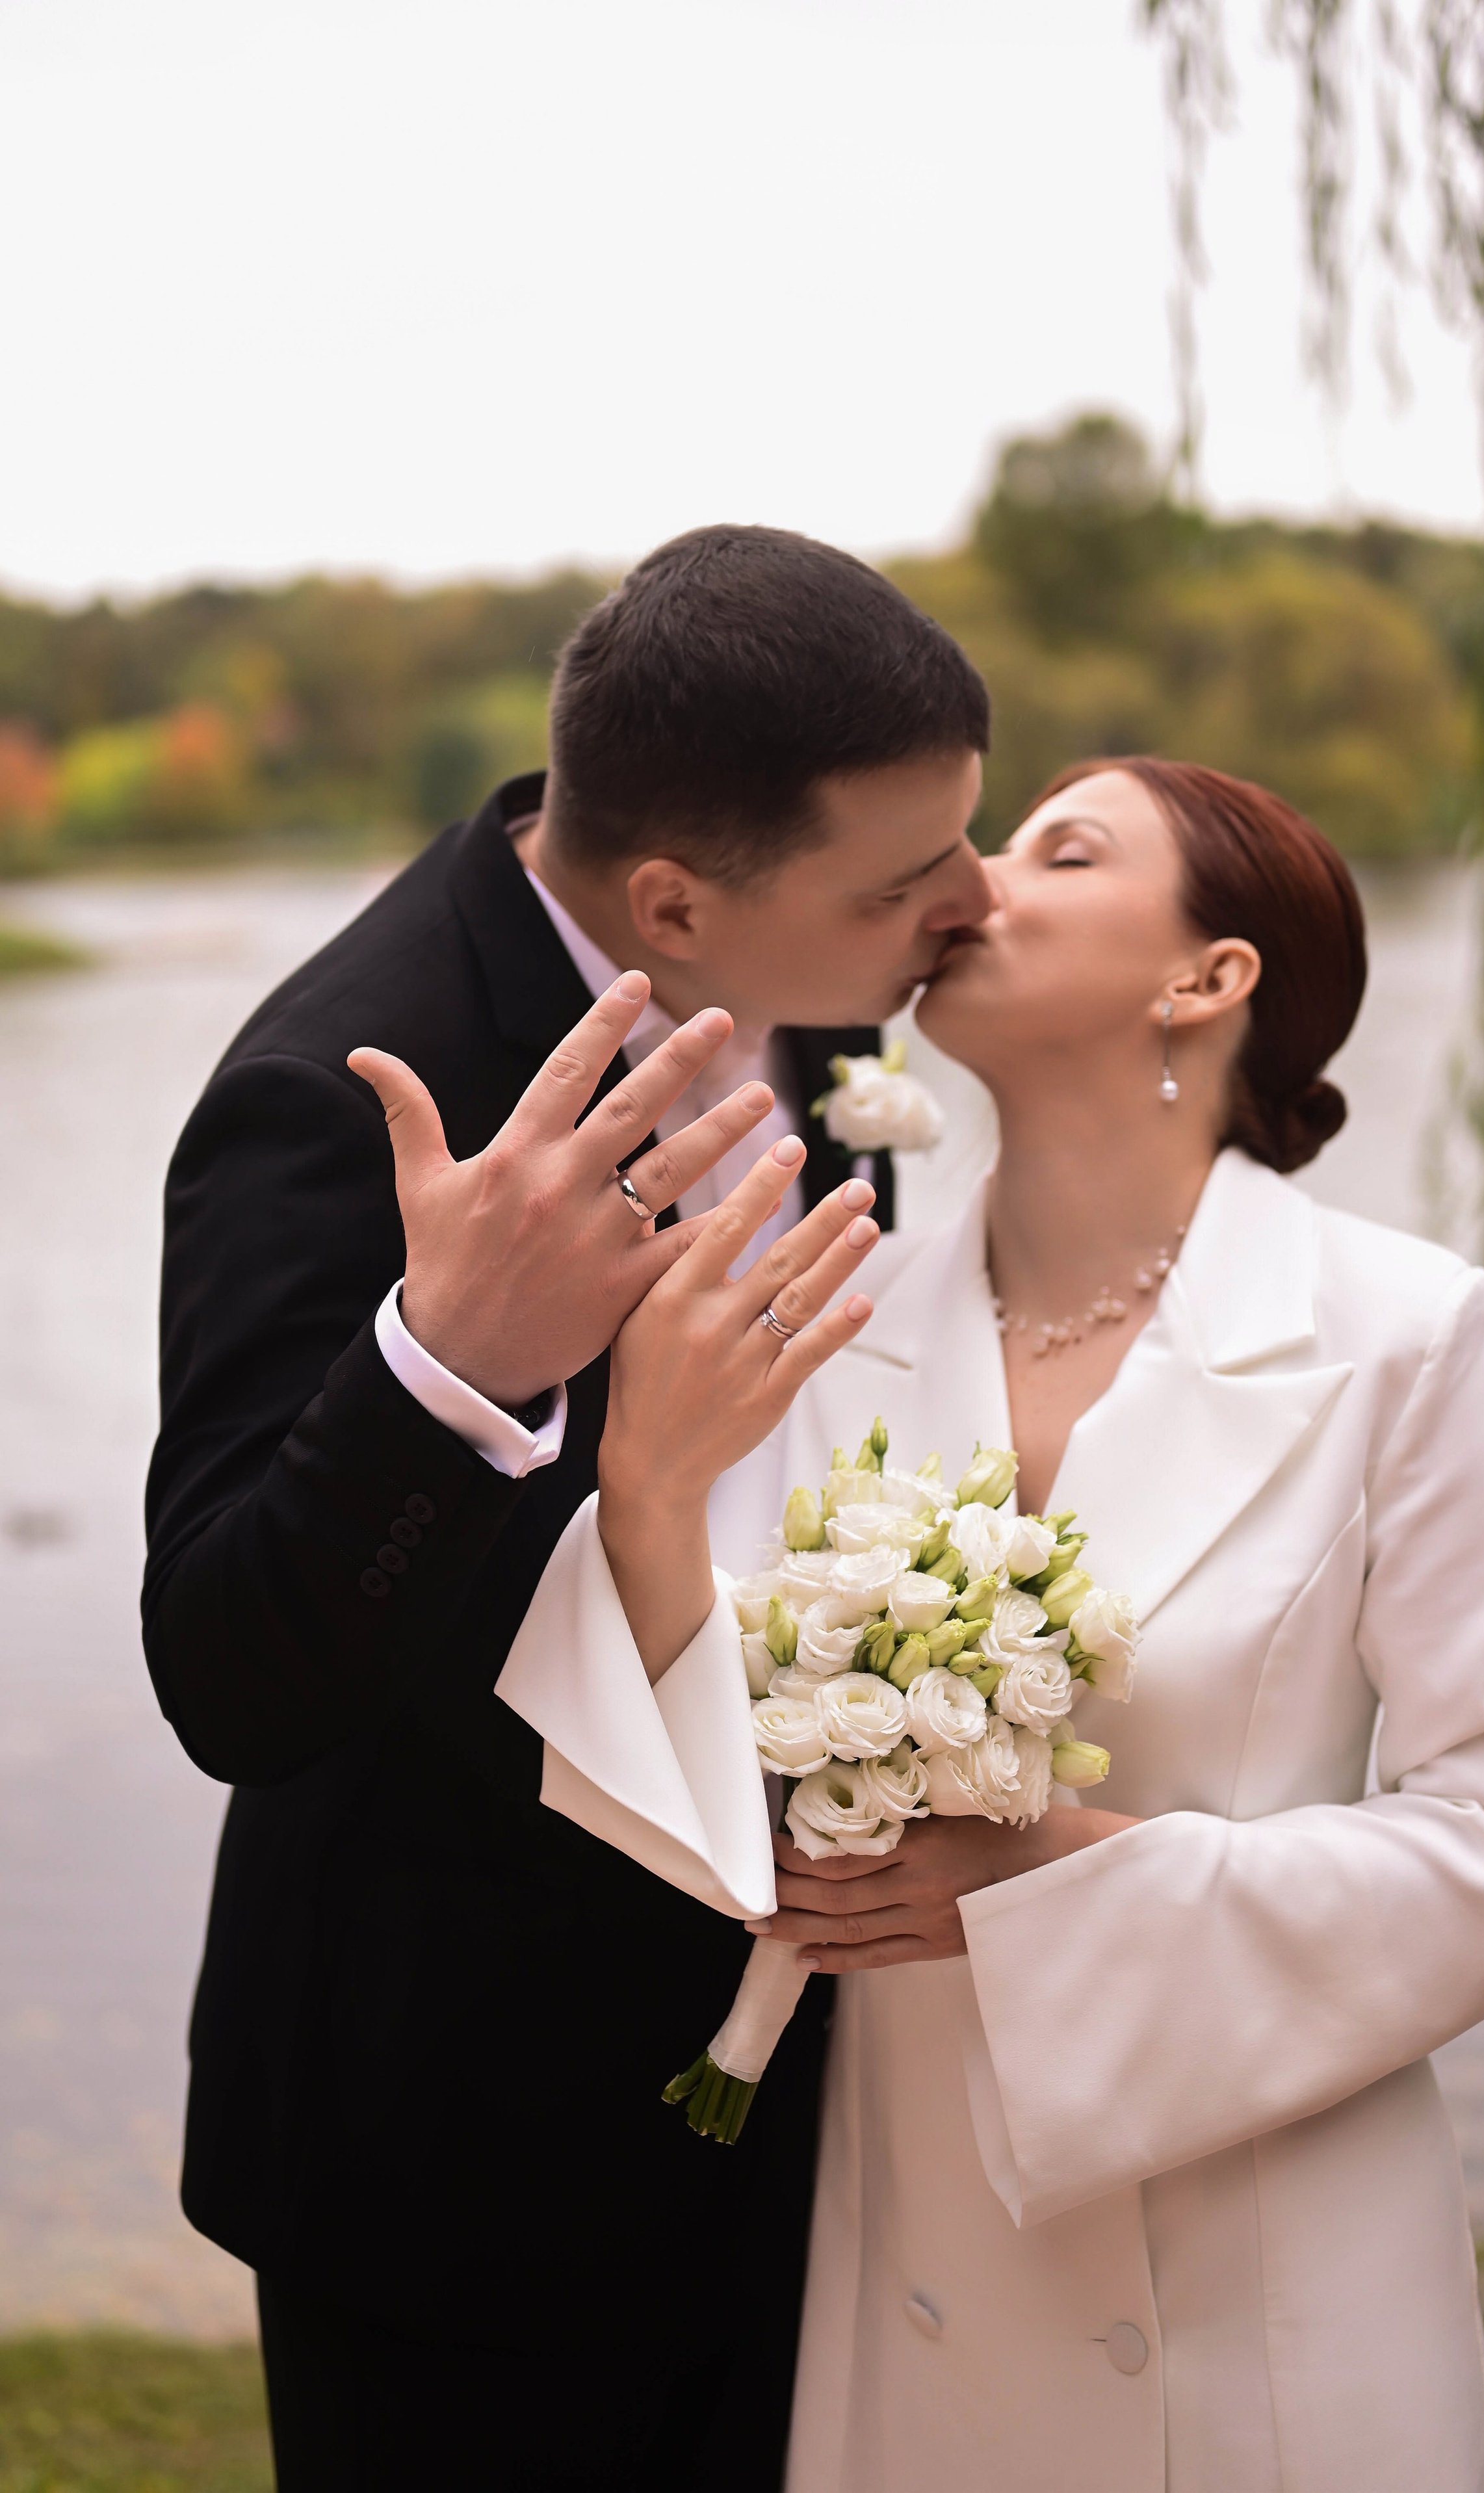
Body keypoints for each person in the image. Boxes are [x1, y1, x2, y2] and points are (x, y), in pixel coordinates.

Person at [500, 756, 1484, 2493]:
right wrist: (641, 1482)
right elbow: (670, 1788)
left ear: (1206, 977)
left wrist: (1062, 1869)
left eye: (1055, 849)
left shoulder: (1401, 1332)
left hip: (1268, 2281)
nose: (972, 883)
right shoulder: (830, 1311)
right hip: (928, 2262)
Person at [140, 524, 993, 2490]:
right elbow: (228, 1678)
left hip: (816, 2086)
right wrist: (447, 1371)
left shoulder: (821, 986)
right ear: (677, 903)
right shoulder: (343, 1087)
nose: (968, 905)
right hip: (460, 2138)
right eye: (905, 877)